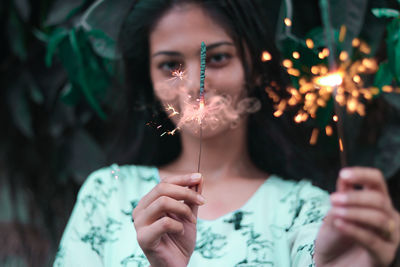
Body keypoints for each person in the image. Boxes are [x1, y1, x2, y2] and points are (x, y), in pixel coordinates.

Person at [54, 0, 400, 266]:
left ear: (257, 70)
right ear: (149, 80)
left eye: (217, 58)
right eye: (169, 65)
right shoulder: (107, 195)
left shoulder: (307, 211)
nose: (193, 85)